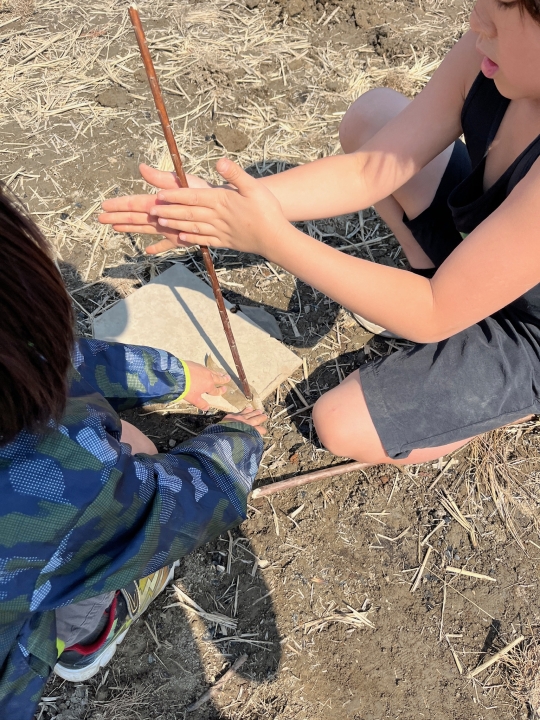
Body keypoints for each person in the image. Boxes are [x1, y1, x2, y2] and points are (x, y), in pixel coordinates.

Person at [100, 0, 540, 466]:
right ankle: (429, 275)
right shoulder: (486, 51)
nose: (476, 19)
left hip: (526, 325)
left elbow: (434, 311)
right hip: (481, 250)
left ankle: (509, 395)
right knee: (373, 116)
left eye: (505, 8)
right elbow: (370, 170)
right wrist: (228, 207)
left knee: (340, 424)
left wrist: (271, 239)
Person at [0, 183, 267, 717]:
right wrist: (237, 442)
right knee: (129, 460)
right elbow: (172, 507)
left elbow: (60, 361)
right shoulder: (53, 475)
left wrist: (174, 376)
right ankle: (88, 630)